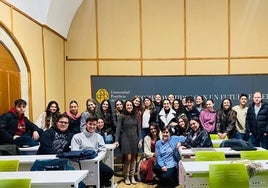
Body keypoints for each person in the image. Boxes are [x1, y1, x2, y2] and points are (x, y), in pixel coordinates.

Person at [71, 115, 114, 188]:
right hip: (81, 162)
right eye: (90, 124)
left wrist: (96, 159)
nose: (92, 126)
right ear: (86, 124)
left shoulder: (98, 136)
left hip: (95, 161)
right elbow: (75, 152)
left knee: (109, 172)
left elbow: (103, 150)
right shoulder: (77, 137)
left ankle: (97, 185)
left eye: (94, 124)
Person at [114, 100, 142, 185]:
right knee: (128, 158)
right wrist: (116, 140)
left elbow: (139, 129)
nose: (129, 106)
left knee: (133, 158)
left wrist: (140, 139)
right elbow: (118, 128)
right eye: (127, 105)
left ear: (133, 106)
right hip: (125, 139)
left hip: (135, 139)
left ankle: (132, 176)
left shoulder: (136, 116)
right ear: (125, 106)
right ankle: (126, 177)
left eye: (130, 105)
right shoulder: (122, 116)